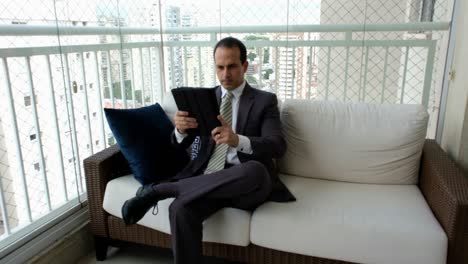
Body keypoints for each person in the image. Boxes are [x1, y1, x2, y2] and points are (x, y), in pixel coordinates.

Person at [122, 36, 295, 264]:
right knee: (180, 208)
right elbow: (180, 145)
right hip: (207, 179)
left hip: (247, 184)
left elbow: (277, 145)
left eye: (232, 66)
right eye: (220, 67)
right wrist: (180, 132)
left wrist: (237, 140)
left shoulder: (265, 101)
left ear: (244, 66)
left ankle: (160, 190)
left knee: (255, 170)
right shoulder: (202, 99)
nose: (225, 74)